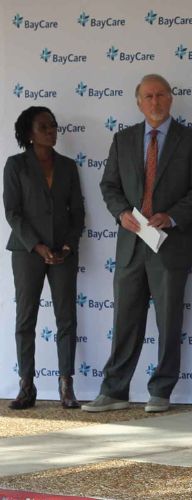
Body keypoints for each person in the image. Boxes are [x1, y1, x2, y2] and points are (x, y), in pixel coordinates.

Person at [82, 74, 192, 413]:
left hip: (171, 243)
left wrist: (170, 216)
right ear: (138, 102)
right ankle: (114, 391)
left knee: (169, 321)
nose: (154, 102)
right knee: (125, 319)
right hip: (130, 244)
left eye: (160, 95)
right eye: (147, 96)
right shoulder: (123, 139)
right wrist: (122, 212)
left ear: (171, 99)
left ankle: (161, 391)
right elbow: (108, 185)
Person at [3, 106, 85, 409]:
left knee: (67, 317)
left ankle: (66, 386)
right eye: (44, 127)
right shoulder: (15, 165)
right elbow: (13, 212)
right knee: (26, 319)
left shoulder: (67, 166)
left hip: (63, 252)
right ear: (29, 133)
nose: (51, 131)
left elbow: (77, 213)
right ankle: (27, 386)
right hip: (27, 251)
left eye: (53, 126)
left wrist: (66, 246)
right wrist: (38, 246)